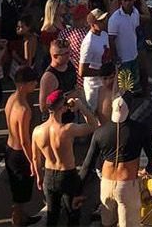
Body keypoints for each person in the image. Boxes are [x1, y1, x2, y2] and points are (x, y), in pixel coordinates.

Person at [32, 90, 99, 226]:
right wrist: (81, 107)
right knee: (72, 213)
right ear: (62, 107)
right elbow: (93, 125)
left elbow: (35, 158)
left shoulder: (37, 131)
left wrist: (39, 177)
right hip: (67, 175)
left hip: (49, 175)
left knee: (52, 215)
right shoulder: (68, 129)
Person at [89, 96, 152, 227]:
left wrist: (78, 191)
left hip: (106, 184)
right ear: (129, 110)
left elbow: (88, 163)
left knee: (107, 223)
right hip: (127, 185)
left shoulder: (100, 132)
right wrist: (147, 170)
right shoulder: (141, 130)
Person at [4, 66, 40, 227]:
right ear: (23, 84)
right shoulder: (24, 109)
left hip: (9, 149)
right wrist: (33, 160)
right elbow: (24, 140)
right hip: (20, 154)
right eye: (33, 83)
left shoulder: (11, 98)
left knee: (17, 192)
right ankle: (17, 221)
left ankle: (22, 217)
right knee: (20, 194)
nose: (35, 85)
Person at [79, 8, 110, 112]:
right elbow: (82, 71)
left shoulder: (104, 34)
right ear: (93, 24)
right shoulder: (88, 43)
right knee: (94, 114)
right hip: (94, 87)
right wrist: (102, 72)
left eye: (104, 19)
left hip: (105, 83)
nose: (104, 22)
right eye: (100, 21)